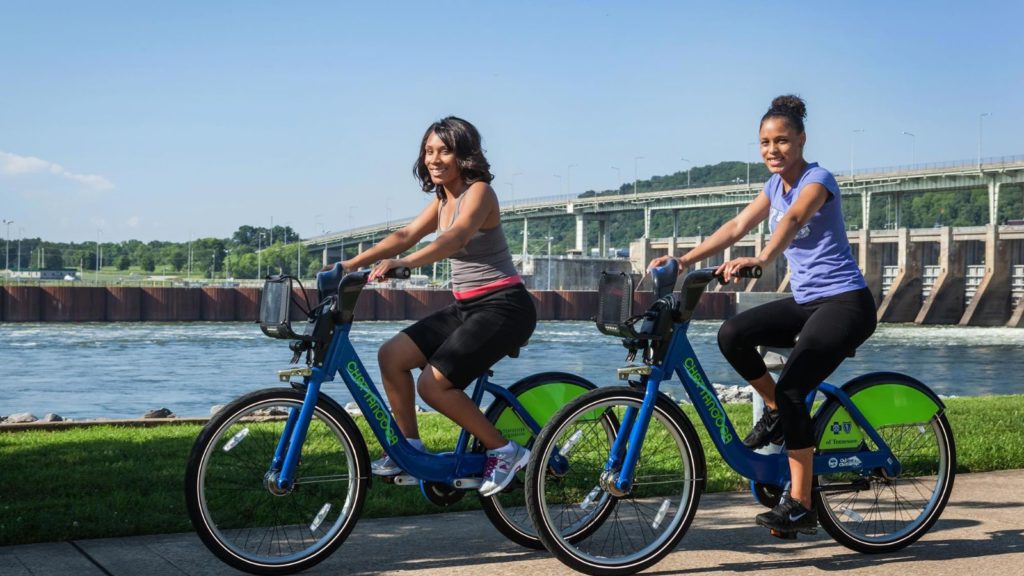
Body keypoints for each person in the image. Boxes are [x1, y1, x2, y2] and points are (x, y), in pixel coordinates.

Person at [649, 95, 876, 534]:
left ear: (802, 140)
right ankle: (774, 408)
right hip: (808, 301)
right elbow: (735, 227)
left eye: (782, 141)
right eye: (764, 143)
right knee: (732, 333)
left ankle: (801, 503)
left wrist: (762, 258)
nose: (773, 150)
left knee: (794, 389)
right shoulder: (772, 187)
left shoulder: (818, 180)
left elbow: (792, 220)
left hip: (846, 303)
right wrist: (682, 260)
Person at [327, 116, 536, 497]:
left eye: (444, 150)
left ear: (463, 155)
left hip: (505, 307)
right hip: (468, 308)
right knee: (391, 356)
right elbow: (405, 235)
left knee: (433, 386)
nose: (434, 159)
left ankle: (505, 451)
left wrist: (407, 263)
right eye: (428, 151)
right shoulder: (442, 200)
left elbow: (455, 239)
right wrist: (351, 265)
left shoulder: (479, 192)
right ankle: (410, 449)